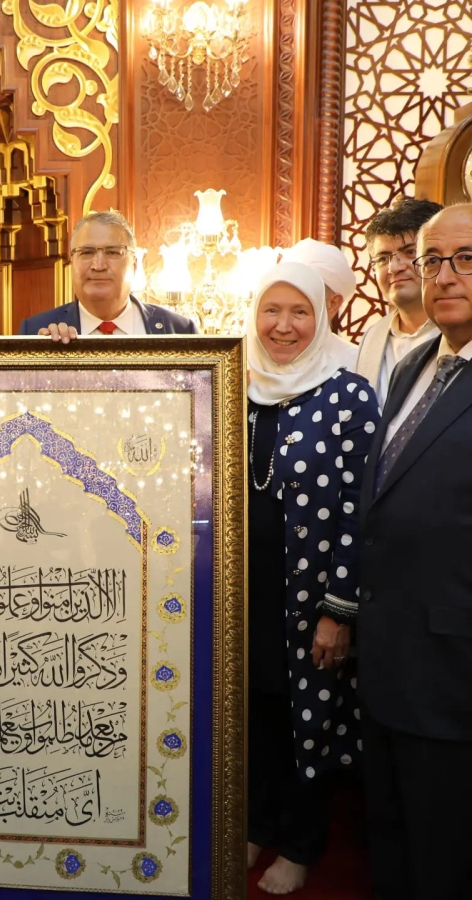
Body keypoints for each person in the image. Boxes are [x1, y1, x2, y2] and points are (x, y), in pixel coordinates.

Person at [245, 261, 379, 894]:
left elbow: (361, 509)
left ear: (321, 318)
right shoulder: (232, 382)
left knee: (311, 718)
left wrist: (338, 610)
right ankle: (255, 821)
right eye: (271, 310)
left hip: (311, 595)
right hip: (240, 592)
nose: (283, 325)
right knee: (252, 710)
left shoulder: (349, 394)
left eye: (300, 311)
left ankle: (301, 841)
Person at [358, 203, 472, 899]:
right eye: (432, 261)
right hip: (389, 662)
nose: (444, 276)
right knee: (392, 851)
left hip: (456, 676)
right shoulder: (415, 366)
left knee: (446, 862)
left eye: (466, 259)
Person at [18, 210, 196, 339]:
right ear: (72, 263)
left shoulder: (180, 330)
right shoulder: (36, 332)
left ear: (134, 265)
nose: (99, 266)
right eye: (87, 252)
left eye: (112, 252)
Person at [355, 197, 442, 404]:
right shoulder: (372, 337)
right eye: (383, 259)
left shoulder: (461, 329)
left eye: (410, 252)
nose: (394, 268)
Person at [281, 237, 360, 370]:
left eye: (300, 311)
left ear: (333, 304)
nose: (283, 326)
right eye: (274, 309)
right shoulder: (257, 356)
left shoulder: (356, 362)